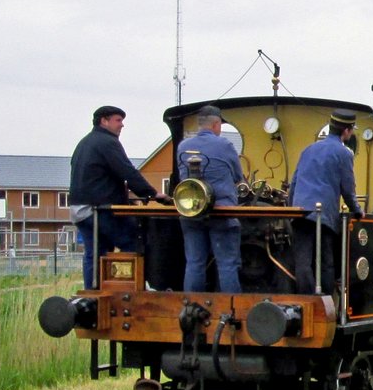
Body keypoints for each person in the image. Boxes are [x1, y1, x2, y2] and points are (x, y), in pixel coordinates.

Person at [69, 105, 171, 289]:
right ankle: (142, 287)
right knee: (134, 241)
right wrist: (153, 194)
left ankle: (93, 292)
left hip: (80, 209)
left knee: (95, 253)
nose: (122, 125)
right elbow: (126, 171)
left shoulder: (85, 143)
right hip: (99, 209)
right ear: (104, 121)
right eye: (118, 120)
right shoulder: (107, 142)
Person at [289, 109, 365, 294]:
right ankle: (326, 306)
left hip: (300, 212)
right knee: (326, 263)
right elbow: (348, 189)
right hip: (322, 215)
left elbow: (294, 182)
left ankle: (304, 302)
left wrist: (291, 210)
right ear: (346, 131)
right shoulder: (344, 153)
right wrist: (358, 210)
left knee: (303, 261)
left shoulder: (308, 149)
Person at [177, 106, 245, 292]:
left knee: (194, 263)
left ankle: (191, 308)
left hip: (191, 211)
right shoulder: (225, 145)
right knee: (227, 264)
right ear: (216, 124)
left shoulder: (183, 147)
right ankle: (231, 310)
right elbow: (238, 176)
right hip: (222, 210)